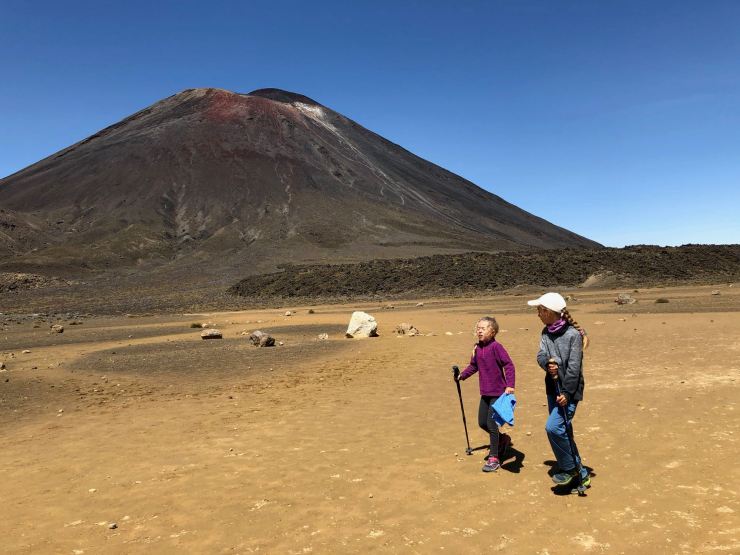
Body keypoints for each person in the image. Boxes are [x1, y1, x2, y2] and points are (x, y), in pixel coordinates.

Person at [527, 292, 590, 487]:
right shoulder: (546, 332)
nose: (538, 314)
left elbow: (574, 368)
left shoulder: (573, 335)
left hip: (568, 391)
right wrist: (547, 363)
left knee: (553, 427)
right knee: (564, 431)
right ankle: (582, 475)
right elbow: (541, 354)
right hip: (552, 388)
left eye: (540, 310)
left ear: (549, 312)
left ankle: (570, 468)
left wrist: (567, 394)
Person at [456, 317, 515, 472]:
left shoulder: (496, 347)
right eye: (478, 328)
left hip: (498, 392)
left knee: (491, 423)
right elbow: (474, 366)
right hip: (485, 392)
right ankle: (503, 439)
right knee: (482, 422)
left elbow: (509, 365)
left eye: (483, 328)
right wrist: (462, 376)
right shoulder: (477, 348)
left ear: (493, 331)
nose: (479, 330)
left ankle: (494, 457)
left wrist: (510, 385)